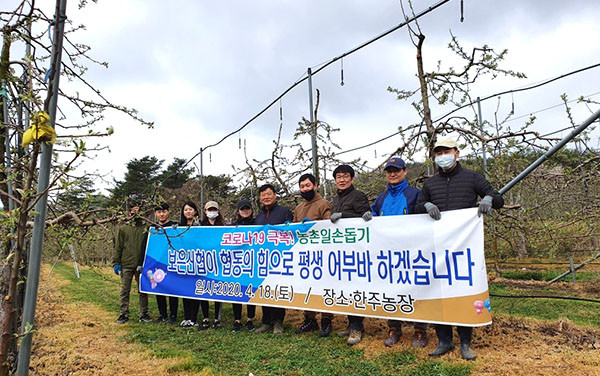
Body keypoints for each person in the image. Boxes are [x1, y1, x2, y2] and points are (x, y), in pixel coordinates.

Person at [415, 137, 504, 360]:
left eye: (446, 151)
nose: (442, 156)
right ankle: (444, 341)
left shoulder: (472, 177)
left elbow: (498, 197)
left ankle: (465, 343)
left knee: (463, 293)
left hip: (464, 249)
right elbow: (416, 207)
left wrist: (488, 199)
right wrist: (426, 205)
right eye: (438, 153)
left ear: (456, 153)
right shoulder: (430, 183)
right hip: (436, 248)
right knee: (437, 293)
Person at [371, 156, 428, 348]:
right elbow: (373, 216)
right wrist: (367, 216)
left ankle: (420, 330)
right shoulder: (381, 198)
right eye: (389, 171)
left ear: (405, 172)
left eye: (396, 170)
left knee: (416, 291)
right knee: (391, 292)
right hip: (387, 255)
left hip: (411, 254)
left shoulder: (415, 194)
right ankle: (394, 328)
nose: (392, 174)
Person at [329, 164, 373, 345]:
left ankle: (356, 328)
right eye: (338, 176)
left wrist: (343, 215)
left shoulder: (359, 196)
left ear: (352, 179)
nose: (342, 179)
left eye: (345, 176)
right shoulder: (334, 199)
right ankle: (351, 324)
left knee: (357, 289)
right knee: (347, 289)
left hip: (358, 251)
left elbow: (366, 219)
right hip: (342, 251)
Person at [292, 173, 334, 338]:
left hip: (322, 254)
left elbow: (328, 226)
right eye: (302, 186)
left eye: (307, 185)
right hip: (304, 256)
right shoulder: (298, 208)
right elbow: (294, 231)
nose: (305, 189)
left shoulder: (324, 204)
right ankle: (309, 319)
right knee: (307, 288)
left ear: (315, 185)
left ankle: (326, 321)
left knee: (324, 288)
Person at [253, 184, 294, 335]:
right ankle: (266, 321)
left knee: (277, 289)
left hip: (280, 258)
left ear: (275, 195)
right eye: (263, 195)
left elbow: (291, 232)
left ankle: (278, 322)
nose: (266, 197)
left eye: (269, 194)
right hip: (262, 259)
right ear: (260, 198)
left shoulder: (284, 212)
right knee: (264, 289)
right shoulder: (258, 217)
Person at [140, 202, 179, 323]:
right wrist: (142, 263)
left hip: (172, 262)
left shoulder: (175, 226)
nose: (162, 214)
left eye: (164, 211)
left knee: (173, 289)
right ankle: (163, 314)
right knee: (159, 288)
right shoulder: (151, 229)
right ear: (155, 214)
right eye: (159, 212)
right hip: (157, 263)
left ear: (168, 212)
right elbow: (144, 246)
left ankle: (173, 314)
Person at [113, 199, 151, 324]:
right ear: (129, 212)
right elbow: (118, 246)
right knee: (125, 290)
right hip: (126, 264)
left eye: (138, 210)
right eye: (133, 210)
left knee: (143, 290)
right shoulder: (123, 228)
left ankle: (144, 313)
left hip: (142, 264)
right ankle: (123, 313)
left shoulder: (146, 228)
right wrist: (116, 262)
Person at [231, 199, 257, 332]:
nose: (245, 211)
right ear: (238, 211)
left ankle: (250, 319)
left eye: (247, 208)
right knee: (237, 291)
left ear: (251, 210)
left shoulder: (257, 224)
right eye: (242, 209)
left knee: (250, 291)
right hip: (237, 262)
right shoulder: (233, 226)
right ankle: (237, 320)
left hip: (253, 262)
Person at [198, 201, 224, 330]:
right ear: (205, 211)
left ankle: (217, 319)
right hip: (204, 262)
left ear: (218, 211)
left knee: (217, 290)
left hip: (219, 262)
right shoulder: (201, 226)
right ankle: (205, 318)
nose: (212, 211)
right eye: (209, 209)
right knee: (204, 290)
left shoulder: (224, 226)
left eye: (214, 209)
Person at [179, 201, 201, 328]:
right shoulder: (179, 227)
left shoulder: (200, 226)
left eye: (190, 209)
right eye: (186, 209)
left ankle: (193, 318)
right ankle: (186, 317)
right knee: (185, 290)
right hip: (183, 262)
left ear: (195, 212)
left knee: (195, 291)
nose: (188, 211)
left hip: (198, 262)